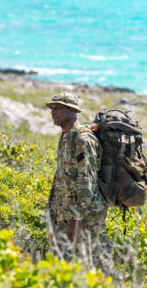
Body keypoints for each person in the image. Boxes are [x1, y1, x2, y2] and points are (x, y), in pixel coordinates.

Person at [45, 92, 110, 270]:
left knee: (99, 266)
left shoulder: (83, 139)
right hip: (66, 213)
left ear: (72, 111)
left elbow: (86, 181)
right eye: (52, 108)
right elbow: (59, 179)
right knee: (63, 265)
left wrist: (77, 218)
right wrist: (51, 216)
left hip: (88, 215)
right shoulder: (65, 137)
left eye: (58, 108)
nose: (53, 112)